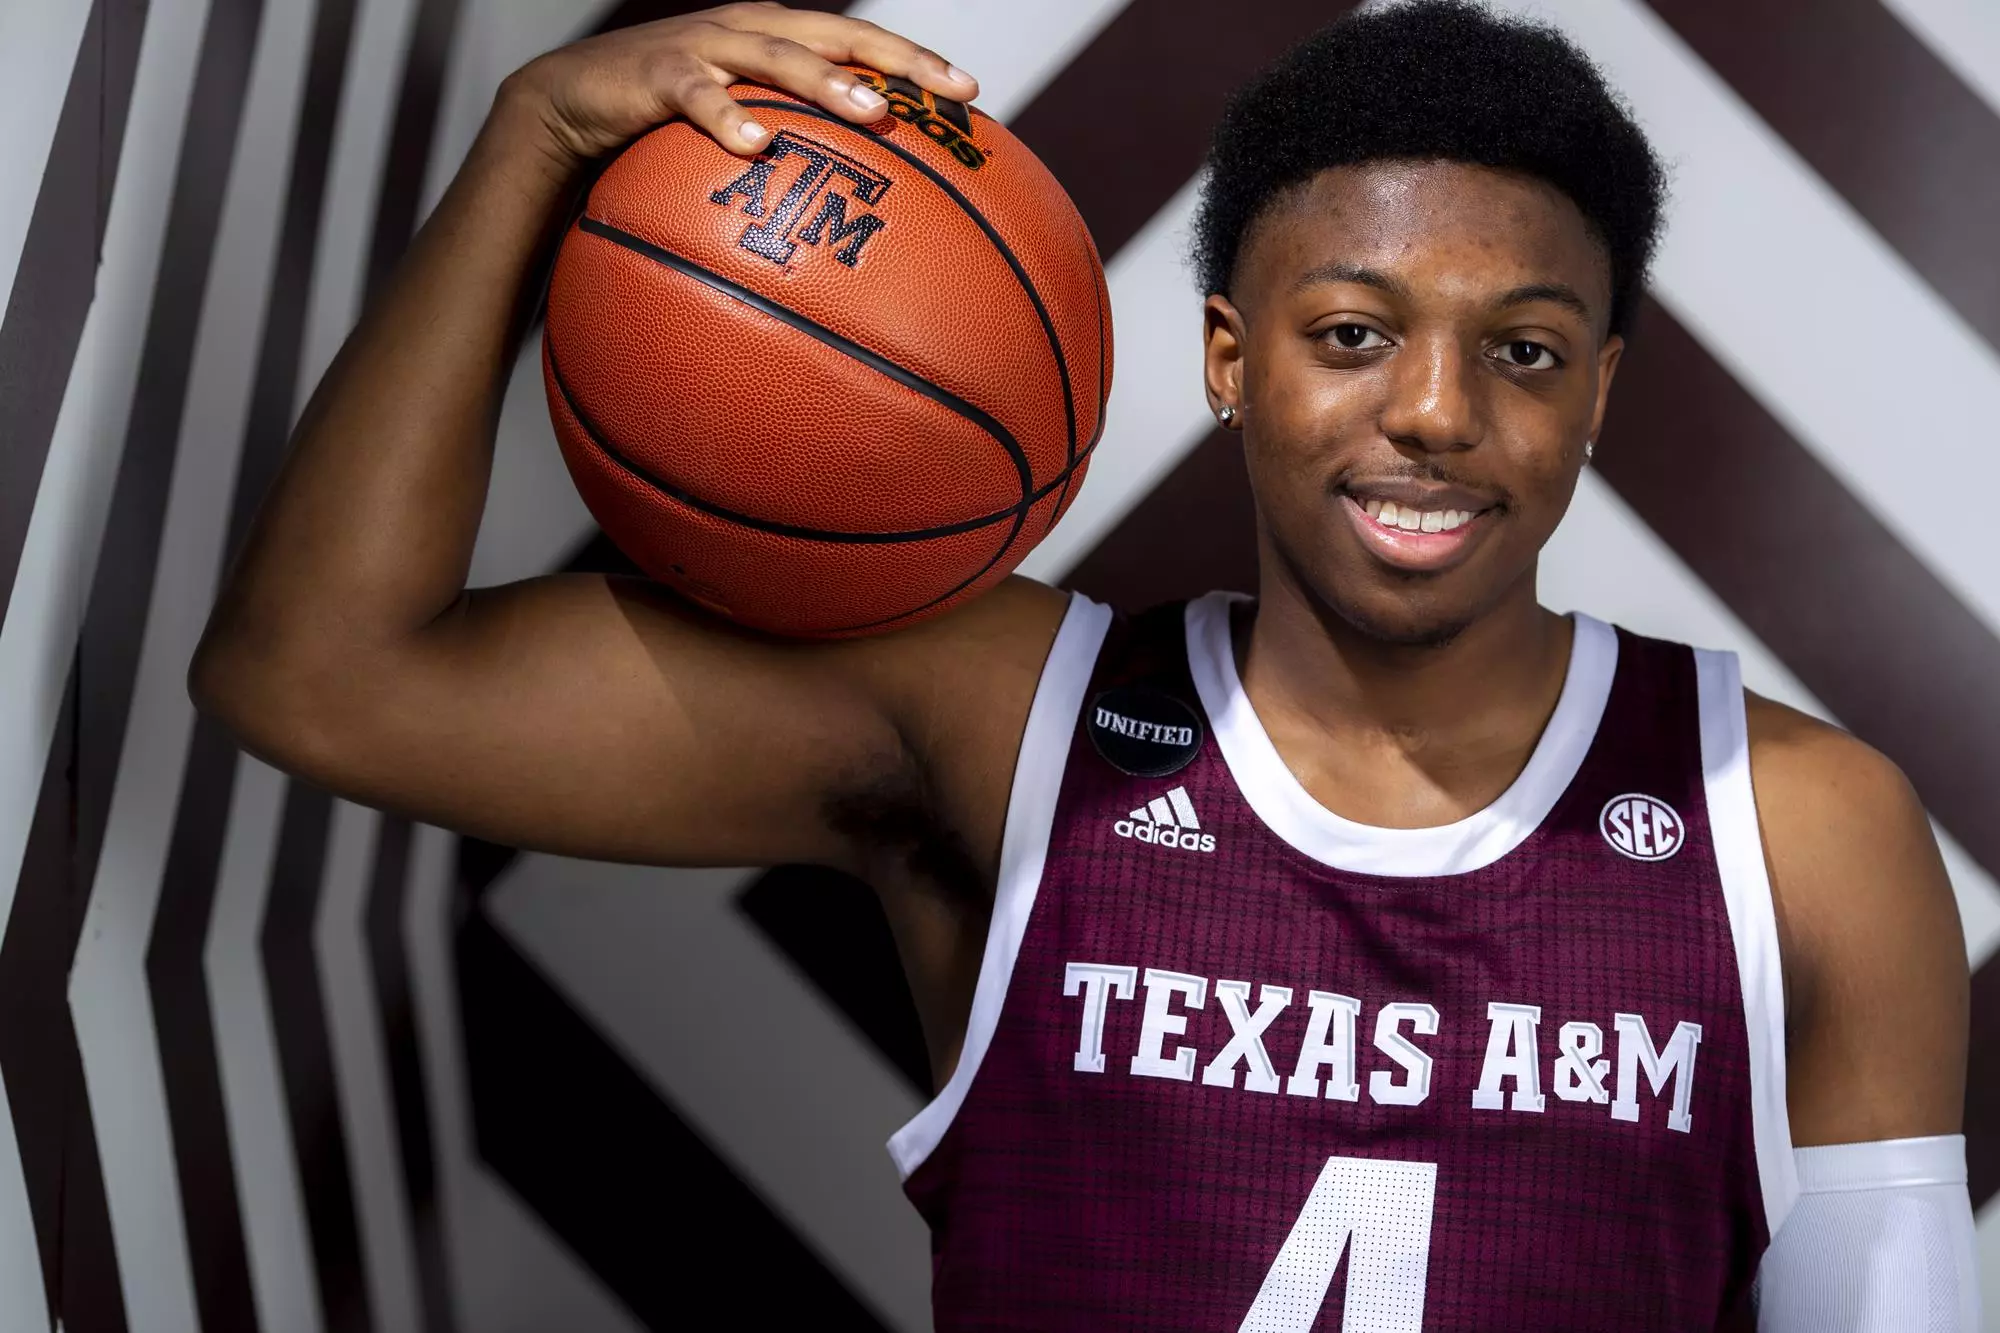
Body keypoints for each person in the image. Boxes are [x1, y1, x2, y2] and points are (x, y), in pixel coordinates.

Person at [190, 1, 1977, 1326]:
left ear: (1597, 389)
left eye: (1524, 350)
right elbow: (320, 674)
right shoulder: (1009, 717)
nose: (1433, 413)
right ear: (1228, 357)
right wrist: (535, 142)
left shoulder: (1795, 832)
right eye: (1351, 334)